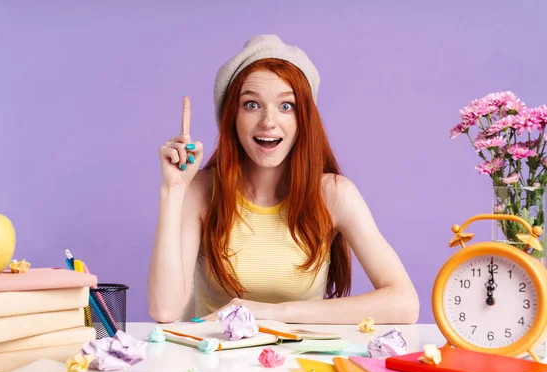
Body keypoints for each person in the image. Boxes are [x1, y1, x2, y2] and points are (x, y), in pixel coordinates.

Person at [148, 34, 419, 324]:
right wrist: (173, 189)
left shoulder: (335, 195)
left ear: (304, 119)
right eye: (251, 105)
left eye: (286, 106)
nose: (268, 121)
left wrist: (275, 313)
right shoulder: (201, 191)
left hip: (302, 363)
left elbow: (404, 303)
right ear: (232, 118)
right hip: (215, 363)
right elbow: (165, 310)